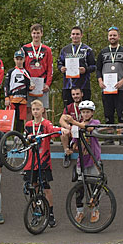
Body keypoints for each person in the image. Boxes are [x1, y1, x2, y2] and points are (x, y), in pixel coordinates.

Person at [61, 100, 102, 224]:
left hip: (93, 160)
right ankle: (80, 211)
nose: (85, 114)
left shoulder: (95, 122)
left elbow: (89, 128)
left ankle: (95, 209)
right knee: (79, 188)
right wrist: (72, 147)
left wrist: (74, 122)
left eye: (88, 112)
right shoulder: (76, 126)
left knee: (94, 186)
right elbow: (74, 141)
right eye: (83, 112)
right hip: (81, 162)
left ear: (92, 113)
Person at [23, 99, 60, 227]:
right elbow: (25, 140)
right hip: (30, 162)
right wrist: (27, 138)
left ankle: (50, 213)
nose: (35, 112)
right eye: (33, 109)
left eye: (38, 109)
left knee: (46, 187)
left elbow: (53, 131)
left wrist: (63, 130)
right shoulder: (28, 124)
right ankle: (36, 212)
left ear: (42, 110)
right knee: (33, 188)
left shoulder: (46, 123)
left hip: (43, 162)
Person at [96, 26, 123, 145]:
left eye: (114, 35)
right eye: (110, 35)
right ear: (108, 37)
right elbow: (98, 69)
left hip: (120, 87)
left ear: (119, 36)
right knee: (108, 112)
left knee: (121, 112)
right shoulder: (103, 52)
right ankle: (109, 137)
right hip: (107, 88)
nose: (112, 37)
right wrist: (100, 81)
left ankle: (122, 137)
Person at [57, 26, 96, 107]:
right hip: (68, 86)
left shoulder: (87, 50)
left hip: (83, 85)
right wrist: (61, 68)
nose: (75, 36)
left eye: (77, 34)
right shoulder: (65, 50)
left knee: (85, 111)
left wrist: (85, 70)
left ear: (81, 35)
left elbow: (94, 66)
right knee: (68, 111)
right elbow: (59, 63)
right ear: (70, 35)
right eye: (73, 34)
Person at [22, 24, 53, 119]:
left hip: (42, 83)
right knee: (28, 109)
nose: (36, 35)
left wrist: (47, 84)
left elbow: (50, 68)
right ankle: (28, 131)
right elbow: (21, 68)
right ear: (31, 34)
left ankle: (45, 132)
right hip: (29, 83)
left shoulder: (47, 50)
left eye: (38, 33)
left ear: (42, 34)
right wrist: (25, 84)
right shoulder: (25, 48)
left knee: (42, 109)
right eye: (34, 33)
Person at [4, 49, 33, 133]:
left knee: (20, 120)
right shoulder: (10, 72)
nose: (19, 61)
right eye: (17, 59)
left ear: (24, 60)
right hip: (12, 99)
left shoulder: (26, 72)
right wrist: (6, 97)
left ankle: (18, 137)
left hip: (23, 100)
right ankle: (6, 138)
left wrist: (31, 87)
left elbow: (28, 86)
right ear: (14, 59)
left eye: (21, 59)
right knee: (9, 119)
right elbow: (6, 85)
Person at [58, 87, 84, 168]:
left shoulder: (86, 105)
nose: (75, 96)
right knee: (63, 133)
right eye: (73, 94)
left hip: (82, 131)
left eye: (77, 94)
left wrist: (75, 124)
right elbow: (61, 120)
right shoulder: (69, 107)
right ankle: (67, 152)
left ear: (82, 94)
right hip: (72, 131)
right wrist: (67, 126)